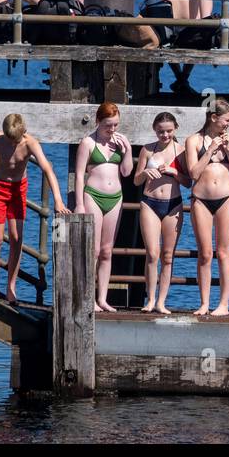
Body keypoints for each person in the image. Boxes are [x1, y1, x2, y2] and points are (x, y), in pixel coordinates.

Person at [0, 114, 69, 304]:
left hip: (19, 189)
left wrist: (58, 200)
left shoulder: (30, 143)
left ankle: (11, 287)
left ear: (23, 133)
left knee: (17, 238)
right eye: (8, 139)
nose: (11, 144)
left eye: (15, 140)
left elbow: (47, 169)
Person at [185, 97, 229, 316]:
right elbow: (193, 173)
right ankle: (204, 303)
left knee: (223, 252)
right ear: (213, 117)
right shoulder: (194, 141)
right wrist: (210, 151)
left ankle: (224, 304)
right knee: (205, 254)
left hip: (226, 199)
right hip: (201, 200)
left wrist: (228, 150)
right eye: (226, 120)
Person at [73, 102, 134, 312]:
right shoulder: (88, 143)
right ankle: (88, 296)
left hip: (115, 197)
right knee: (95, 250)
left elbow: (126, 173)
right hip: (94, 196)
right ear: (99, 121)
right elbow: (80, 174)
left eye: (116, 125)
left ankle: (103, 298)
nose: (112, 129)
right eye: (108, 125)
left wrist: (127, 151)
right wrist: (79, 203)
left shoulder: (119, 142)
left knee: (108, 251)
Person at [133, 112, 187, 314]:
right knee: (152, 254)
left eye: (169, 131)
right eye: (160, 131)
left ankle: (162, 302)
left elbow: (189, 182)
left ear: (175, 130)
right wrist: (145, 172)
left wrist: (175, 173)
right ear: (155, 130)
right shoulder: (148, 149)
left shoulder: (181, 151)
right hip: (150, 202)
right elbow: (136, 180)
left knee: (168, 256)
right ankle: (150, 299)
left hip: (173, 204)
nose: (164, 135)